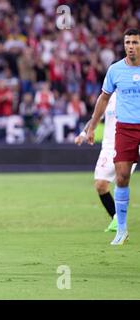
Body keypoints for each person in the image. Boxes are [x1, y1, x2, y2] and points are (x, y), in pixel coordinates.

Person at [86, 28, 140, 245]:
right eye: (128, 42)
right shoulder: (115, 70)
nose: (131, 46)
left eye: (135, 42)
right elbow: (103, 98)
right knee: (122, 176)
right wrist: (91, 127)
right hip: (125, 129)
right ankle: (122, 228)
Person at [75, 93, 137, 233]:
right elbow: (95, 117)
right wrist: (84, 134)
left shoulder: (134, 93)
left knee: (121, 181)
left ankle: (120, 224)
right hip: (108, 147)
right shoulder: (109, 96)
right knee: (100, 185)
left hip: (128, 144)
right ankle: (116, 219)